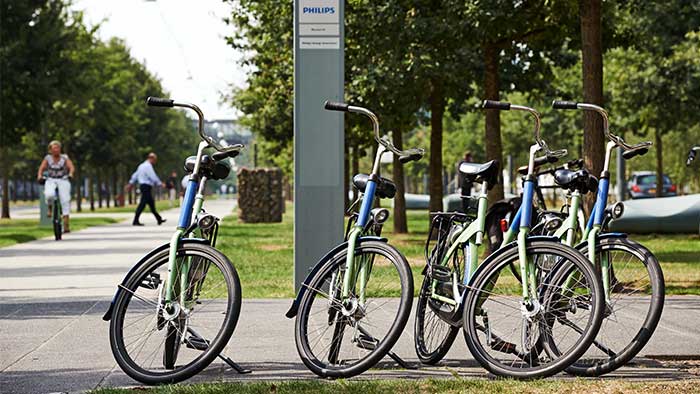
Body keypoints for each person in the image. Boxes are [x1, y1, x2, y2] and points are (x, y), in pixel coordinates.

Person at [37, 141, 75, 233]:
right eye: (54, 148)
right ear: (50, 150)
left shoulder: (64, 158)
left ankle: (66, 224)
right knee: (49, 195)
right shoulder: (48, 158)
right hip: (51, 179)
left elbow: (71, 167)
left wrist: (71, 174)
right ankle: (50, 208)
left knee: (65, 200)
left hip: (63, 179)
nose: (56, 150)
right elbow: (41, 168)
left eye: (58, 148)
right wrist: (39, 176)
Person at [127, 152, 166, 226]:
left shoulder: (141, 166)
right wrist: (160, 183)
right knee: (142, 204)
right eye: (155, 160)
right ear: (151, 158)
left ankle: (159, 219)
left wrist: (130, 183)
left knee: (151, 204)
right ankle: (135, 220)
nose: (155, 162)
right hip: (146, 186)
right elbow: (153, 176)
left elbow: (135, 175)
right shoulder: (148, 166)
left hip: (143, 186)